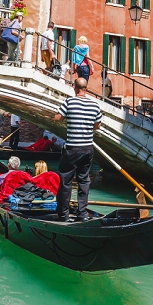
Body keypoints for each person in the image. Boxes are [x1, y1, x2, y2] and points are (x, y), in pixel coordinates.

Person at [53, 77, 102, 221]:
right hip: (87, 148)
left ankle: (64, 215)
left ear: (75, 87)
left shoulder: (69, 102)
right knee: (84, 180)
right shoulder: (94, 105)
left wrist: (63, 117)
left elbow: (57, 118)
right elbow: (97, 125)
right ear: (86, 88)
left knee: (66, 181)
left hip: (72, 149)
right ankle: (82, 214)